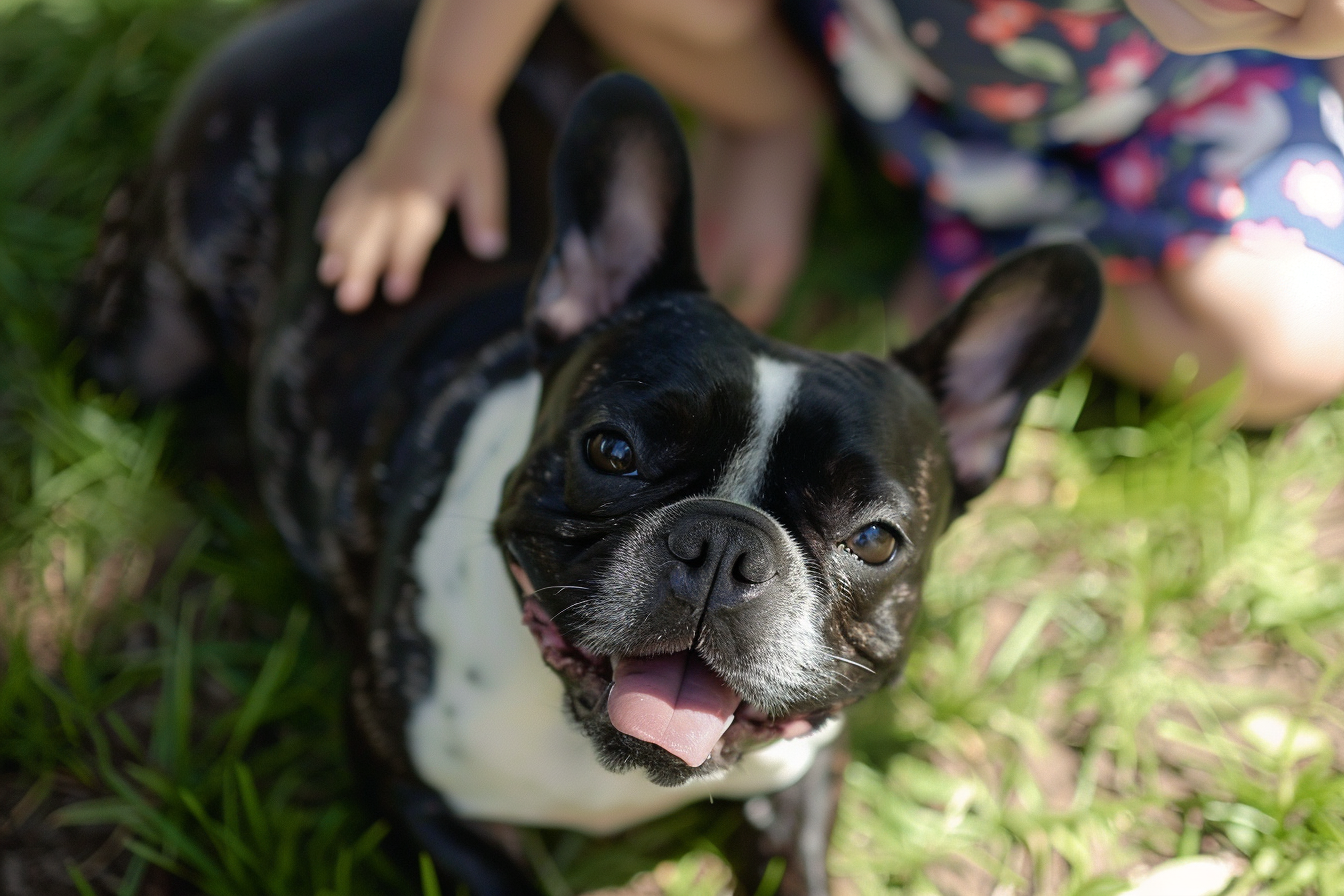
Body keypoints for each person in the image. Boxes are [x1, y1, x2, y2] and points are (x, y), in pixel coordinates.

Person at [317, 0, 1344, 425]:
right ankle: (770, 113)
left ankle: (1004, 243)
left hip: (1179, 103)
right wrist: (443, 97)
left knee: (1290, 346)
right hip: (869, 41)